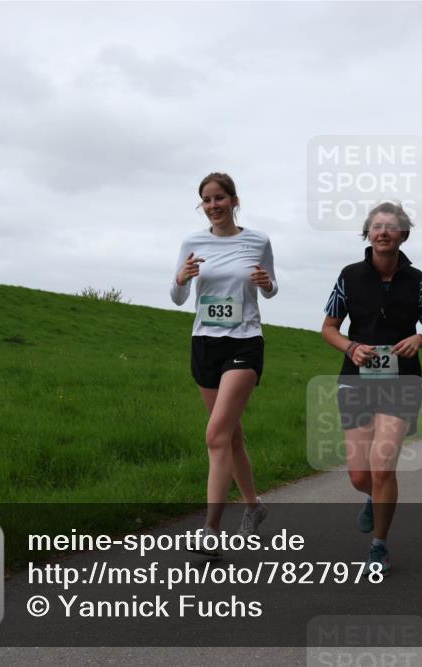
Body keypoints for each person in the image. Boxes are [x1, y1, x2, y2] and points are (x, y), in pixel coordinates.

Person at [321, 202, 422, 574]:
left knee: (382, 468)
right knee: (359, 475)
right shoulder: (349, 276)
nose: (383, 231)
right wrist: (351, 347)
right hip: (356, 380)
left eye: (391, 226)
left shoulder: (419, 281)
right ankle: (374, 500)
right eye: (377, 226)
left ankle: (379, 546)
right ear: (368, 233)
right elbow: (328, 328)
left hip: (402, 381)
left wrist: (421, 339)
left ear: (403, 234)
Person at [170, 172, 277, 556]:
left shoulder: (258, 240)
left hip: (244, 342)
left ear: (235, 200)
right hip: (204, 343)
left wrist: (265, 283)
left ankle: (210, 530)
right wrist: (181, 278)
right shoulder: (192, 241)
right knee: (230, 436)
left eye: (219, 198)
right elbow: (178, 296)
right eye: (206, 200)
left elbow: (272, 287)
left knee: (215, 435)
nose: (213, 206)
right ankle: (254, 507)